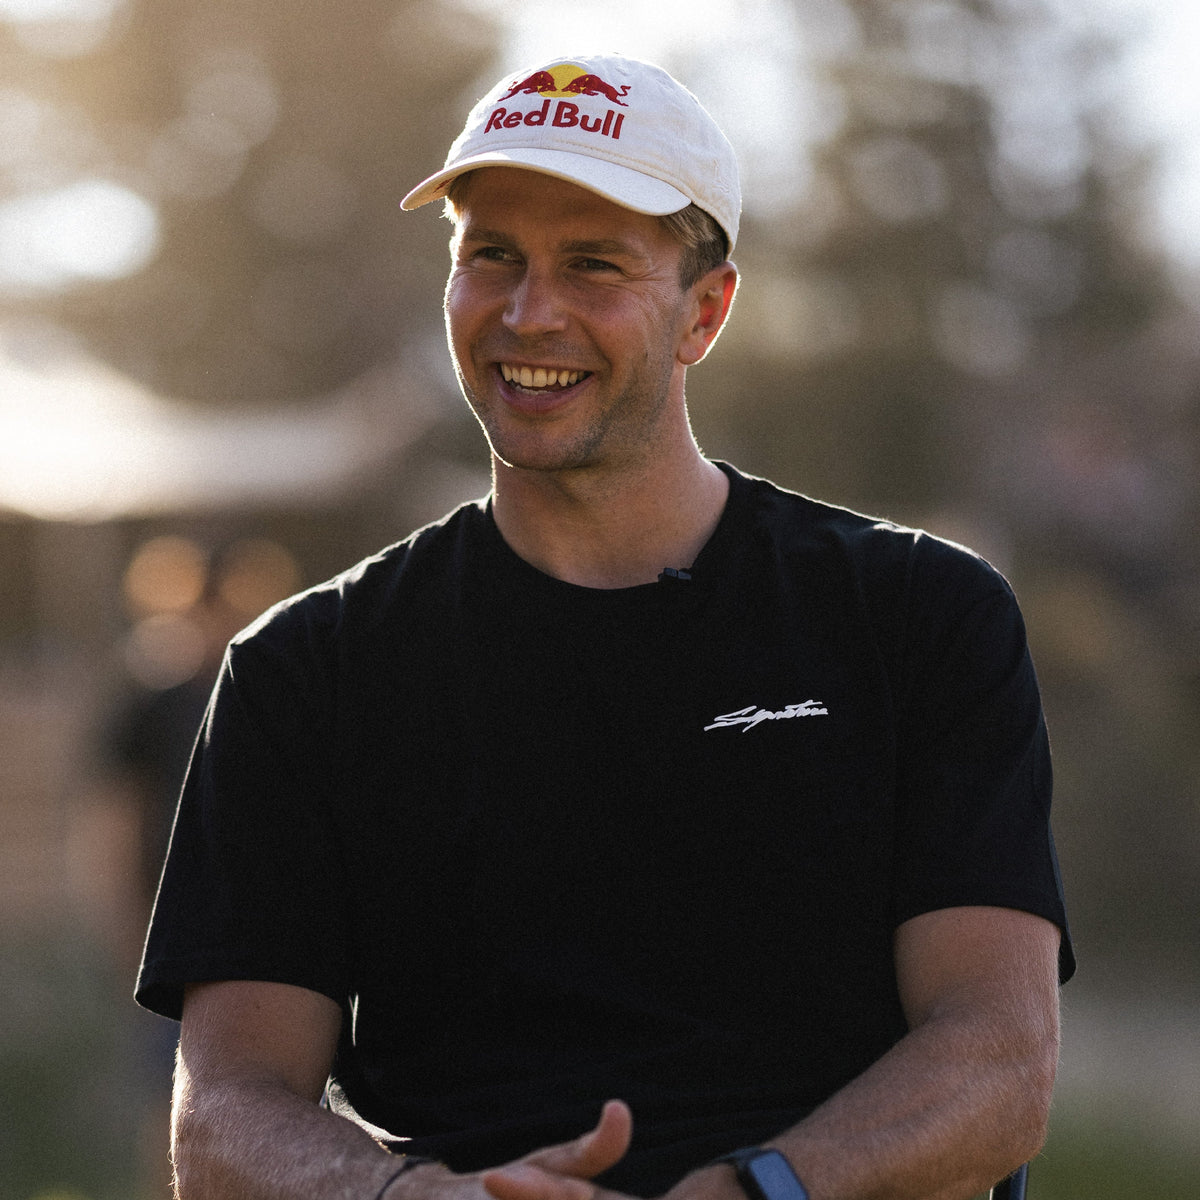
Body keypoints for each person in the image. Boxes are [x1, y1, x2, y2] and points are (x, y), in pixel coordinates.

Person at [136, 53, 1074, 1200]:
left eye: (594, 264)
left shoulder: (919, 617)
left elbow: (1000, 1062)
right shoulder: (305, 671)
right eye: (492, 256)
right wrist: (411, 1198)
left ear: (705, 312)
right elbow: (227, 1114)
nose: (531, 312)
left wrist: (753, 1192)